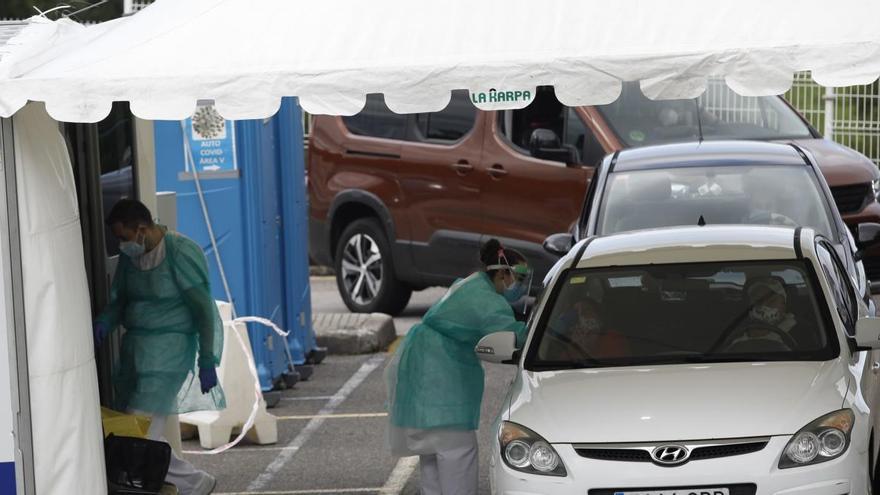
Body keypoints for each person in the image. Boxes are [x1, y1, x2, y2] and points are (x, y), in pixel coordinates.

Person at [93, 199, 225, 495]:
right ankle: (192, 482)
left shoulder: (180, 252)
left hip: (170, 352)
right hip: (138, 353)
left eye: (124, 237)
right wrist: (103, 322)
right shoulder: (132, 258)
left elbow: (204, 310)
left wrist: (207, 358)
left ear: (142, 229)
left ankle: (192, 483)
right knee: (140, 429)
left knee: (140, 431)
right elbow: (122, 302)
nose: (121, 245)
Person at [385, 239, 530, 495]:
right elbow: (512, 335)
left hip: (424, 377)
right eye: (519, 276)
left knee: (432, 458)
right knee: (457, 453)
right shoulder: (486, 301)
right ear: (502, 272)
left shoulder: (472, 284)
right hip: (441, 382)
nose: (521, 284)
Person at [543, 297, 629, 361]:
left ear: (598, 317)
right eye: (575, 313)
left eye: (586, 311)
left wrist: (585, 349)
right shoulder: (571, 346)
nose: (581, 316)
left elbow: (613, 370)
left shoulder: (613, 337)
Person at [725, 277, 799, 350]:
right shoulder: (734, 329)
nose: (763, 305)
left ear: (783, 304)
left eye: (771, 301)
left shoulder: (800, 330)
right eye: (758, 301)